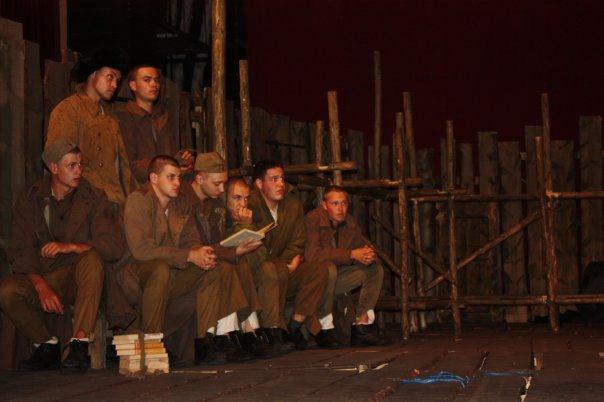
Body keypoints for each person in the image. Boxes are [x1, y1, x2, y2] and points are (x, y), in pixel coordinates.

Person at [0, 139, 123, 372]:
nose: (79, 171)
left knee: (92, 259)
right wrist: (40, 286)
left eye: (80, 164)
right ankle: (46, 345)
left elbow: (112, 246)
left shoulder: (94, 197)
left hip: (80, 278)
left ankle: (79, 343)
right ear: (54, 168)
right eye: (71, 166)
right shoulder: (31, 199)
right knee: (6, 290)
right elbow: (20, 250)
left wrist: (72, 246)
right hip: (43, 275)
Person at [121, 155, 250, 365]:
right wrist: (189, 255)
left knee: (213, 268)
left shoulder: (180, 203)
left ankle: (204, 341)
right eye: (171, 177)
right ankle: (153, 342)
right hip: (137, 278)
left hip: (173, 275)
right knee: (159, 269)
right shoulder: (139, 200)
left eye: (179, 177)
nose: (177, 183)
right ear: (154, 178)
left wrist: (201, 253)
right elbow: (141, 250)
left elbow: (191, 240)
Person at [181, 152, 270, 359]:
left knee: (237, 264)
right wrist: (233, 250)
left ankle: (245, 331)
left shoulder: (212, 204)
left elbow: (219, 244)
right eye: (217, 184)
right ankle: (224, 335)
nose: (222, 189)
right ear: (199, 178)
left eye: (224, 184)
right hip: (186, 264)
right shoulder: (185, 201)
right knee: (225, 267)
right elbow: (197, 246)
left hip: (208, 260)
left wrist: (239, 238)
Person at [245, 159, 330, 352]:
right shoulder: (250, 205)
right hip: (258, 273)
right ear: (259, 183)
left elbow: (298, 240)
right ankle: (272, 331)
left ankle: (295, 325)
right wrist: (282, 266)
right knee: (270, 269)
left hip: (285, 269)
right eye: (274, 179)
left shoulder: (292, 204)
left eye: (282, 178)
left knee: (319, 270)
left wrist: (286, 265)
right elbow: (254, 248)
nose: (280, 184)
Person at [45, 48, 136, 206]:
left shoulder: (110, 119)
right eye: (110, 77)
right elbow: (59, 163)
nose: (114, 84)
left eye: (117, 80)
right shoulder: (68, 110)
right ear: (93, 74)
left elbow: (124, 170)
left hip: (114, 203)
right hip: (84, 204)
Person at [305, 185, 389, 347]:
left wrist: (367, 256)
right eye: (335, 203)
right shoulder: (313, 219)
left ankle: (362, 326)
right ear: (324, 205)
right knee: (328, 268)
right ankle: (324, 328)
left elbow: (360, 248)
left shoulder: (349, 222)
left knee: (374, 269)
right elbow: (312, 256)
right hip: (315, 281)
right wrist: (351, 254)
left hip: (337, 279)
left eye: (343, 203)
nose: (340, 208)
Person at [116, 64, 194, 185]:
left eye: (156, 80)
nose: (154, 84)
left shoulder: (162, 119)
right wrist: (171, 169)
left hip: (167, 187)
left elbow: (169, 156)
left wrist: (183, 160)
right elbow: (130, 164)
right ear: (133, 85)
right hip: (141, 189)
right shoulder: (124, 118)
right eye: (147, 80)